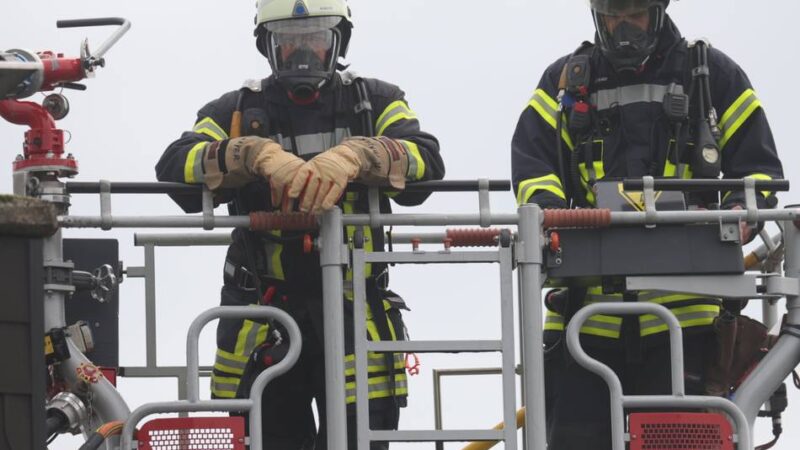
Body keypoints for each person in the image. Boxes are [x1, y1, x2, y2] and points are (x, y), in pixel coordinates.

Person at [156, 0, 444, 448]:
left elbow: (426, 161)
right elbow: (175, 167)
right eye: (289, 40)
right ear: (268, 46)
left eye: (315, 37)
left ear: (338, 41)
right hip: (262, 315)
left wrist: (360, 154)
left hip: (355, 313)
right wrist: (248, 154)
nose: (303, 50)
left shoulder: (375, 102)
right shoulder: (235, 110)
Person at [511, 0, 783, 448]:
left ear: (657, 11)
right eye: (612, 17)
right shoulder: (564, 82)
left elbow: (760, 172)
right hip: (585, 322)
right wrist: (550, 212)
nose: (622, 29)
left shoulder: (712, 75)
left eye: (634, 15)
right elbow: (532, 163)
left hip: (686, 322)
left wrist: (738, 212)